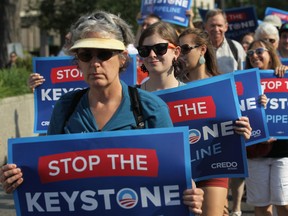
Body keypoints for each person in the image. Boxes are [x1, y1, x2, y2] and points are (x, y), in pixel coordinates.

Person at [0, 10, 204, 215]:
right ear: (77, 61)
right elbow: (47, 172)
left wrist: (190, 192)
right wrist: (18, 179)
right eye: (86, 55)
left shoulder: (151, 108)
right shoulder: (65, 107)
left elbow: (172, 175)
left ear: (123, 58)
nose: (95, 63)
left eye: (104, 54)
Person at [178, 27, 253, 216]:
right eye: (178, 50)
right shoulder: (173, 88)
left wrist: (244, 130)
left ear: (202, 49)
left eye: (186, 49)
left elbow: (237, 129)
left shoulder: (223, 86)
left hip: (214, 167)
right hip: (182, 170)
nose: (181, 55)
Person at [245, 39, 288, 216]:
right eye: (250, 53)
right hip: (256, 153)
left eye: (259, 51)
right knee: (262, 206)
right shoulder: (244, 83)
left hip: (283, 151)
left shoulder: (283, 76)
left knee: (284, 204)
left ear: (270, 53)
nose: (254, 56)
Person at [204, 8, 246, 74]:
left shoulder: (236, 48)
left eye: (219, 25)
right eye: (212, 25)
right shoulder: (200, 49)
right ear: (206, 26)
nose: (216, 29)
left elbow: (244, 74)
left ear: (226, 27)